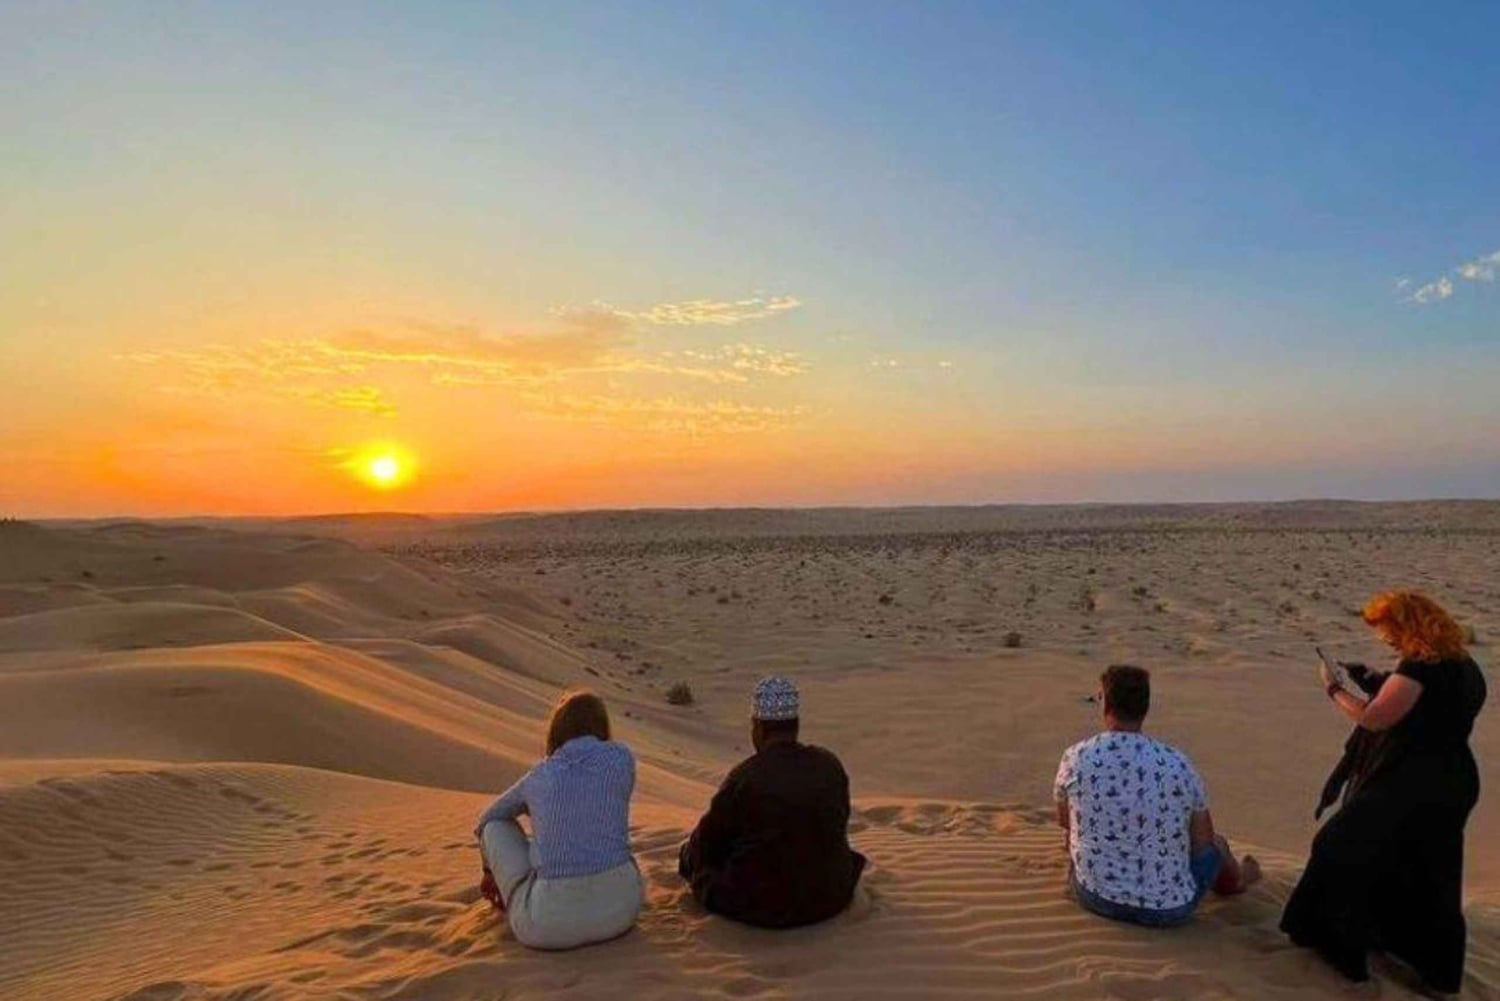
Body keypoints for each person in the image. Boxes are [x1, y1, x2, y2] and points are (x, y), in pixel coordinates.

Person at [1281, 591, 1486, 992]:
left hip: (1411, 782)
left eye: (1388, 630)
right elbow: (1431, 708)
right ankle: (1432, 968)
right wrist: (1376, 679)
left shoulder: (1419, 666)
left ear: (1409, 625)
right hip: (1453, 781)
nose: (1385, 640)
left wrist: (1334, 689)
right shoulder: (1465, 665)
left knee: (1338, 846)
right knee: (1424, 870)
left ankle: (1338, 945)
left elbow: (1376, 719)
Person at [1055, 664, 1260, 927]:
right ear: (1145, 708)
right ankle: (1237, 882)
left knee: (1072, 835)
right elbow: (1202, 842)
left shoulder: (1076, 756)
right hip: (1169, 910)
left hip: (1095, 897)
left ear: (1105, 703)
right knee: (1218, 845)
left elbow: (1065, 821)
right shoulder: (1178, 763)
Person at [678, 676, 867, 928]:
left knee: (693, 859)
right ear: (796, 725)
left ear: (758, 727)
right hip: (831, 897)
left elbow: (708, 843)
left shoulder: (746, 777)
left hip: (760, 907)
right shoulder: (829, 765)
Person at [473, 690, 643, 950]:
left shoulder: (539, 776)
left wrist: (489, 871)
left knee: (494, 827)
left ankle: (517, 894)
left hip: (549, 928)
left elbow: (488, 818)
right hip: (622, 911)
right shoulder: (622, 758)